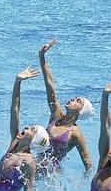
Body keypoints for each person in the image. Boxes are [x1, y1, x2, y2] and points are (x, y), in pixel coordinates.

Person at [0, 66, 49, 191]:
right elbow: (15, 110)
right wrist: (17, 81)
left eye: (32, 129)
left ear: (34, 140)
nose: (27, 127)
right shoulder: (15, 143)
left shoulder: (28, 162)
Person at [38, 40, 93, 174]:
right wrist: (42, 57)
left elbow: (88, 162)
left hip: (52, 175)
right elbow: (49, 84)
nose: (72, 99)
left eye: (77, 101)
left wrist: (84, 182)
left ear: (80, 111)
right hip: (37, 165)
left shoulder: (75, 134)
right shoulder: (56, 115)